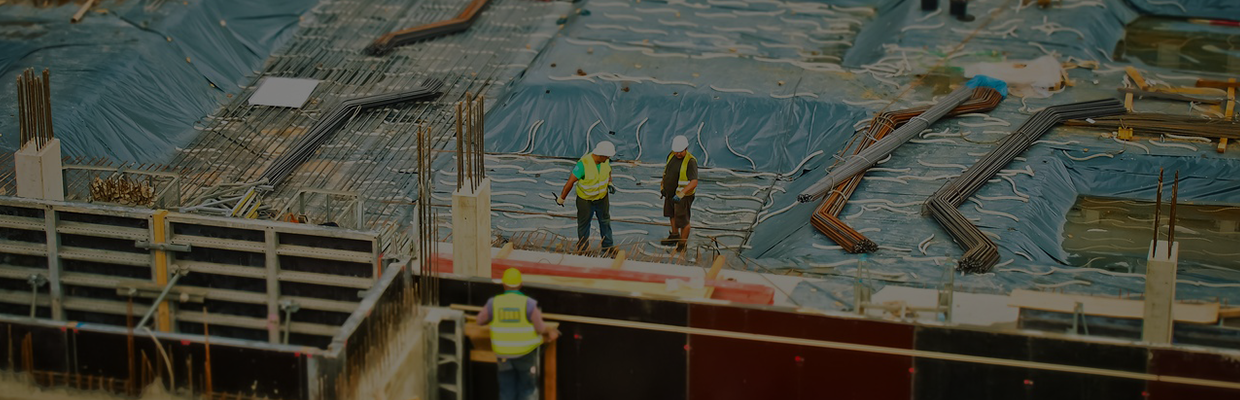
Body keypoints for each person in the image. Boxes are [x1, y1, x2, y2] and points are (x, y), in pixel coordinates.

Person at [477, 268, 560, 400]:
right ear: (521, 285)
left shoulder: (494, 303)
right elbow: (540, 328)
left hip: (503, 355)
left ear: (503, 284)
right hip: (525, 355)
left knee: (506, 392)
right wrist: (550, 331)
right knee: (527, 390)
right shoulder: (528, 304)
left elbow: (480, 320)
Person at [556, 141, 616, 253]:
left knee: (605, 222)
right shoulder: (583, 164)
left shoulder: (605, 161)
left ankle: (608, 247)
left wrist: (610, 183)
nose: (608, 158)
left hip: (602, 198)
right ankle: (583, 249)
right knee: (584, 225)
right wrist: (562, 198)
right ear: (600, 155)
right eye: (607, 156)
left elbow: (608, 172)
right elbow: (570, 182)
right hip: (585, 201)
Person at [660, 135, 698, 252]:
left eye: (680, 151)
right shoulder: (671, 155)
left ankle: (682, 245)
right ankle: (674, 236)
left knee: (683, 221)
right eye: (676, 151)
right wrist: (662, 186)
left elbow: (694, 182)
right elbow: (666, 172)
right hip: (670, 194)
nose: (678, 154)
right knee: (671, 215)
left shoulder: (690, 161)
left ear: (686, 148)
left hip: (682, 197)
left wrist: (681, 193)